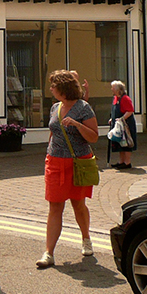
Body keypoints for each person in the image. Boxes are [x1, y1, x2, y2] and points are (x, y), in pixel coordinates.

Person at [36, 69, 99, 269]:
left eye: (53, 85)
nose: (51, 88)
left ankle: (86, 238)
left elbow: (94, 136)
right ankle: (49, 253)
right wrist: (48, 154)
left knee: (78, 205)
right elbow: (53, 132)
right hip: (55, 162)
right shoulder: (55, 106)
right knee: (54, 206)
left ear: (63, 89)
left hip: (77, 162)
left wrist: (76, 124)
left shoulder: (83, 108)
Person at [109, 80, 136, 169]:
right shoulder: (115, 98)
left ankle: (127, 162)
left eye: (113, 88)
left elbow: (130, 111)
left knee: (126, 142)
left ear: (118, 89)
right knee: (119, 143)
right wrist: (112, 119)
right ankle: (121, 161)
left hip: (126, 125)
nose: (111, 89)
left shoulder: (125, 98)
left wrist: (122, 119)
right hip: (118, 125)